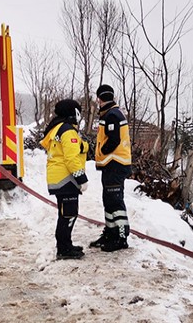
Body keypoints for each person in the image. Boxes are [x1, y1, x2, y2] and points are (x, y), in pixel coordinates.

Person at [40, 99, 89, 260]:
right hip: (66, 179)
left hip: (59, 177)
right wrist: (81, 178)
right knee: (68, 214)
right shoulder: (68, 131)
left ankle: (65, 244)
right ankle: (64, 248)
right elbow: (71, 158)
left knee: (65, 214)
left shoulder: (58, 128)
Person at [89, 84, 132, 252]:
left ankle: (121, 237)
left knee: (114, 201)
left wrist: (102, 150)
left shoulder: (112, 115)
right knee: (108, 200)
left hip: (115, 164)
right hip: (110, 165)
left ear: (100, 98)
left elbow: (113, 140)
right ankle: (110, 232)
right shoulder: (110, 113)